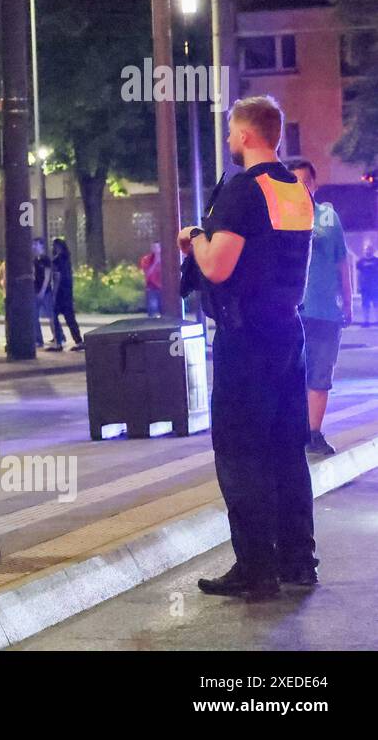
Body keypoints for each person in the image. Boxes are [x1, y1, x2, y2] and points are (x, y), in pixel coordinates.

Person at [179, 96, 316, 601]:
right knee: (286, 449)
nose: (229, 140)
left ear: (247, 135)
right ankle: (298, 561)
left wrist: (194, 237)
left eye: (232, 132)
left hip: (247, 337)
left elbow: (217, 266)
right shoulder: (296, 189)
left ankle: (256, 568)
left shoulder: (241, 190)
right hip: (287, 333)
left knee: (240, 453)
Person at [287, 158, 351, 456]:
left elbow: (342, 261)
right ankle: (290, 434)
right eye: (294, 182)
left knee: (320, 375)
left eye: (305, 181)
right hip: (290, 312)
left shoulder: (328, 217)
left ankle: (314, 434)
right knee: (290, 375)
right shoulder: (279, 217)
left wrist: (348, 303)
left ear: (314, 184)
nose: (301, 187)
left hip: (325, 310)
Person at [47, 238, 84, 352]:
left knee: (54, 316)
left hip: (60, 294)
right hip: (67, 292)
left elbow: (57, 278)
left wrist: (54, 294)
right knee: (70, 318)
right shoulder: (67, 260)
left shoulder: (56, 261)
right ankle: (79, 341)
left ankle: (58, 343)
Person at [32, 236, 51, 346]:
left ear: (41, 245)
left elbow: (47, 276)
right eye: (33, 244)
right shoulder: (35, 260)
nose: (33, 247)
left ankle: (59, 337)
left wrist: (43, 290)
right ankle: (38, 340)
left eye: (36, 244)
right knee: (34, 316)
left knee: (51, 316)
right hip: (36, 290)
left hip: (45, 291)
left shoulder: (45, 259)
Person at [356, 243, 378, 326]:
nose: (368, 251)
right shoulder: (360, 262)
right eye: (366, 249)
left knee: (376, 304)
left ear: (372, 251)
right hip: (365, 287)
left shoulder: (376, 261)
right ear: (364, 251)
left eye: (369, 249)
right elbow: (358, 274)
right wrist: (358, 285)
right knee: (365, 305)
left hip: (375, 287)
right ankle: (366, 321)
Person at [139, 241, 163, 317]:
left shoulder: (167, 259)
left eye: (157, 247)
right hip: (152, 287)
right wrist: (156, 262)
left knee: (164, 309)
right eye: (154, 247)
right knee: (153, 308)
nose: (156, 250)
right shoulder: (147, 259)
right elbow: (147, 274)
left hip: (164, 288)